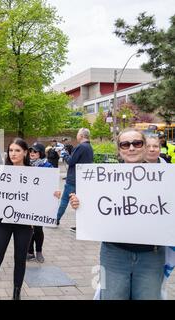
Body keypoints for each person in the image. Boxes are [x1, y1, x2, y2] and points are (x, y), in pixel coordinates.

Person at [69, 128, 165, 300]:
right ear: (119, 150)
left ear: (144, 146)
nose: (131, 148)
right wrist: (79, 203)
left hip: (151, 256)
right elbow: (92, 205)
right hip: (114, 254)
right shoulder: (104, 178)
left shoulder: (164, 178)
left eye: (137, 143)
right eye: (125, 144)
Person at [0, 138, 59, 300]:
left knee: (20, 260)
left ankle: (16, 294)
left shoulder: (35, 174)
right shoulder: (0, 171)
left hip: (24, 224)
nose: (13, 154)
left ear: (25, 152)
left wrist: (54, 195)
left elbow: (42, 195)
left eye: (17, 150)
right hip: (2, 222)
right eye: (11, 150)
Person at [56, 128, 94, 228]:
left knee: (65, 200)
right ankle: (81, 225)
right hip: (83, 179)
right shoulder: (89, 147)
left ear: (81, 136)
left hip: (73, 179)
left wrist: (64, 155)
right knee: (80, 202)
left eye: (77, 134)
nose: (76, 136)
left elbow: (71, 161)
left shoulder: (80, 147)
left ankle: (56, 220)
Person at [26, 142, 56, 263]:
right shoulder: (25, 165)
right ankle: (29, 251)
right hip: (26, 201)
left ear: (41, 153)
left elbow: (52, 183)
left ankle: (39, 251)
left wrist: (55, 193)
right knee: (28, 228)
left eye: (35, 151)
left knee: (38, 228)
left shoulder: (47, 166)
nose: (32, 153)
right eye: (31, 151)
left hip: (40, 202)